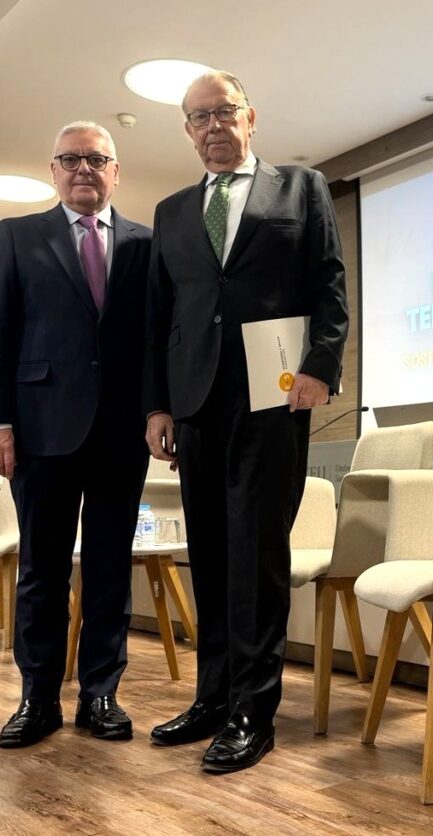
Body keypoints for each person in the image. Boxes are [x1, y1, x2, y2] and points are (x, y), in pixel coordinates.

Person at [144, 70, 348, 772]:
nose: (213, 126)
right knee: (208, 554)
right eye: (198, 117)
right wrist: (157, 404)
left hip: (274, 392)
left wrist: (321, 365)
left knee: (257, 556)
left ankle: (253, 714)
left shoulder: (301, 188)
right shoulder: (172, 211)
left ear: (249, 117)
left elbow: (328, 283)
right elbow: (160, 316)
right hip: (196, 399)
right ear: (187, 130)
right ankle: (212, 698)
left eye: (223, 112)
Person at [0, 122, 152, 748]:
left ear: (116, 172)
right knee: (42, 569)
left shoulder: (147, 245)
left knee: (110, 567)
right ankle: (38, 697)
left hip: (121, 433)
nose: (83, 169)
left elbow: (156, 340)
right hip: (40, 431)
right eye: (70, 159)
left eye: (96, 159)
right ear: (53, 170)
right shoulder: (17, 236)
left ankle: (101, 694)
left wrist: (161, 412)